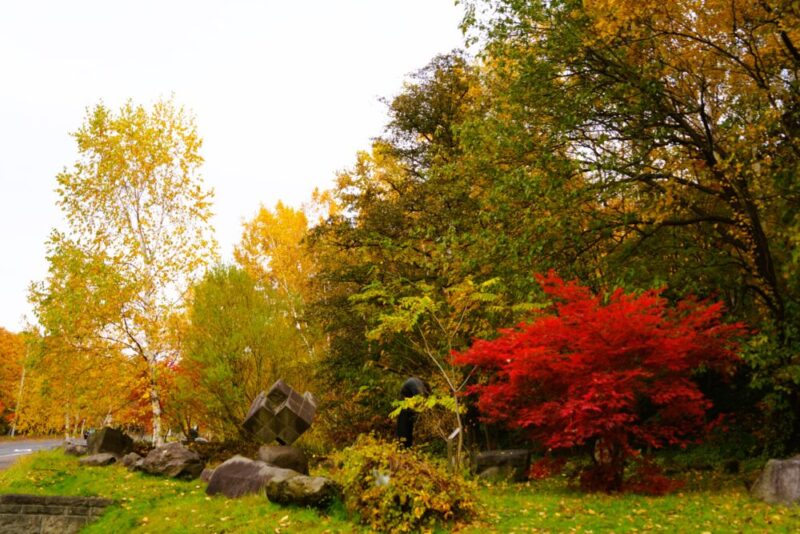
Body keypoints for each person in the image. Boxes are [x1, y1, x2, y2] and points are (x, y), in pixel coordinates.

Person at [396, 377, 430, 447]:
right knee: (405, 427)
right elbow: (421, 399)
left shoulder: (417, 383)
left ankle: (404, 445)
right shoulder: (418, 386)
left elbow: (421, 398)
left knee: (405, 426)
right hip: (406, 406)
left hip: (407, 404)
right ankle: (404, 445)